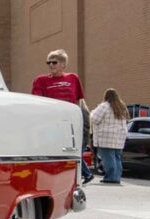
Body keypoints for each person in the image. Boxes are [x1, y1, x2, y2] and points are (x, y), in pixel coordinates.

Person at [32, 49, 92, 183]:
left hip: (70, 122)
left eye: (54, 62)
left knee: (72, 152)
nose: (51, 65)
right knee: (53, 152)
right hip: (52, 122)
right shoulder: (41, 80)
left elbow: (78, 100)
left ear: (63, 65)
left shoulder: (73, 78)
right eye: (49, 62)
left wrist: (81, 120)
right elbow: (38, 102)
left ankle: (77, 178)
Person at [89, 89, 129, 184]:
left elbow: (95, 119)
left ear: (106, 96)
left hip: (106, 137)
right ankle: (116, 177)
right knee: (116, 157)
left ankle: (110, 178)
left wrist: (92, 112)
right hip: (119, 137)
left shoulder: (104, 106)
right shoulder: (122, 107)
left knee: (108, 158)